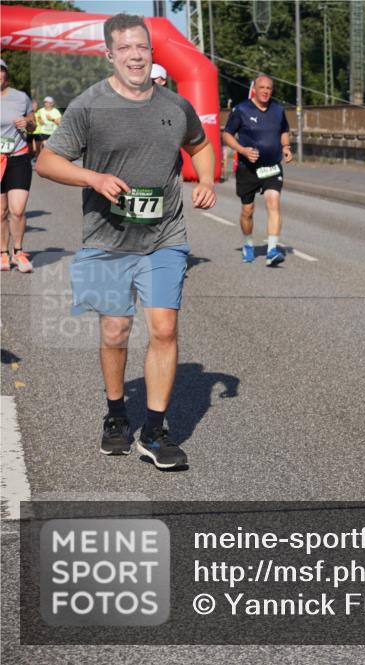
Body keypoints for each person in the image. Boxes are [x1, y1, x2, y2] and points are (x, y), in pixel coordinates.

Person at [37, 13, 216, 470]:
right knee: (115, 331)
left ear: (151, 53)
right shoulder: (88, 106)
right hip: (106, 239)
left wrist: (208, 180)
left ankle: (155, 430)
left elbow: (200, 145)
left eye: (143, 47)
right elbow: (47, 162)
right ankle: (117, 414)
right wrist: (93, 177)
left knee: (163, 328)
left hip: (165, 236)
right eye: (126, 49)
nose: (136, 55)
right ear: (110, 55)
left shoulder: (175, 106)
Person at [222, 74, 292, 266]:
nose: (266, 91)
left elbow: (284, 130)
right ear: (255, 89)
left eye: (269, 88)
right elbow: (227, 134)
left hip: (271, 166)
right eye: (262, 88)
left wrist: (286, 148)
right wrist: (242, 150)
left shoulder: (278, 110)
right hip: (248, 169)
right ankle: (248, 244)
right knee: (248, 210)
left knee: (274, 202)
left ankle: (271, 250)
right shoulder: (242, 110)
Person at [0, 58, 36, 273]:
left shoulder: (20, 97)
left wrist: (28, 123)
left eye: (0, 71)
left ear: (5, 75)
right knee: (0, 212)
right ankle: (3, 254)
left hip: (18, 157)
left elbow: (33, 124)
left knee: (18, 209)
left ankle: (19, 252)